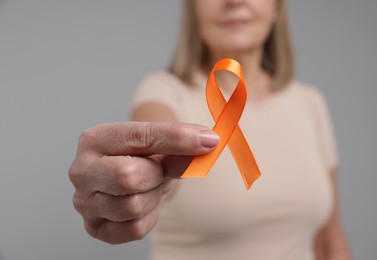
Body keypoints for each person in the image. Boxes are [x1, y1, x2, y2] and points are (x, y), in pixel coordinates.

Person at [69, 0, 351, 259]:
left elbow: (329, 236)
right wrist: (135, 180)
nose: (235, 1)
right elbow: (156, 161)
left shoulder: (309, 102)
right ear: (193, 8)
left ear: (276, 7)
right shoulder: (164, 93)